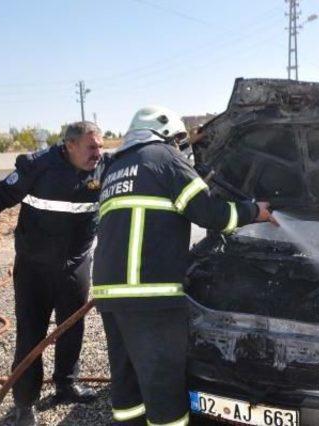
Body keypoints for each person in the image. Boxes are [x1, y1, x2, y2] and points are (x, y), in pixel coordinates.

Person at [92, 106, 275, 426]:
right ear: (163, 132)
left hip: (111, 294)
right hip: (150, 295)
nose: (180, 146)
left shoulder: (117, 167)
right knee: (163, 384)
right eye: (177, 139)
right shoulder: (164, 158)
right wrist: (253, 212)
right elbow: (210, 214)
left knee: (127, 381)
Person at [0, 122, 106, 426]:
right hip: (34, 268)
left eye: (101, 146)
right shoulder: (38, 166)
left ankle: (66, 384)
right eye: (92, 147)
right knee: (30, 334)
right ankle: (25, 403)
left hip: (76, 264)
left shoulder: (104, 167)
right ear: (70, 145)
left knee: (71, 328)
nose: (98, 153)